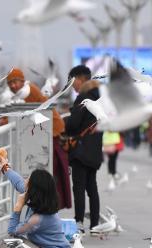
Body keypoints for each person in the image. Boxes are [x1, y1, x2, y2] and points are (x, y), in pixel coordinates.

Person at [5, 67, 72, 213]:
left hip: (51, 133)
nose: (13, 85)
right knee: (51, 174)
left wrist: (3, 121)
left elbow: (21, 114)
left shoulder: (28, 92)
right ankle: (49, 207)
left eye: (16, 81)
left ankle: (48, 208)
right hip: (45, 133)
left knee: (50, 173)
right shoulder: (20, 95)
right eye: (10, 83)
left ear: (22, 81)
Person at [63, 64, 103, 232]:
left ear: (79, 79)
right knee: (91, 187)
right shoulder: (99, 97)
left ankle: (79, 222)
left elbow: (74, 123)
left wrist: (60, 121)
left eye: (73, 82)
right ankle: (94, 224)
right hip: (94, 149)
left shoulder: (83, 97)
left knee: (79, 187)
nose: (73, 86)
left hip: (81, 150)